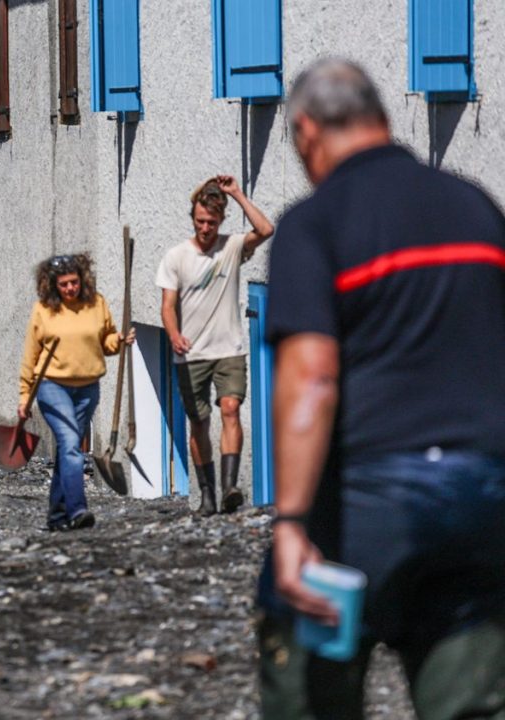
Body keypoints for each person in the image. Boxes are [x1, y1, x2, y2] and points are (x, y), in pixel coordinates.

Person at [259, 59, 505, 718]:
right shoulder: (476, 207)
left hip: (365, 509)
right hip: (482, 501)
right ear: (382, 119)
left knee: (309, 692)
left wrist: (287, 524)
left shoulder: (316, 223)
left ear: (307, 131)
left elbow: (311, 377)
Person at [156, 175, 274, 515]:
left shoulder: (233, 247)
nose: (205, 227)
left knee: (231, 409)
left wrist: (236, 193)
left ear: (220, 221)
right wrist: (174, 334)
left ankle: (229, 488)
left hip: (229, 349)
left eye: (211, 222)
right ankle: (207, 494)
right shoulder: (176, 257)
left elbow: (265, 230)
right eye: (199, 221)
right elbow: (166, 306)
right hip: (191, 354)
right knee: (199, 423)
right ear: (192, 219)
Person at [18, 254, 133, 532]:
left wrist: (118, 341)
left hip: (88, 388)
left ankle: (56, 516)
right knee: (71, 445)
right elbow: (30, 356)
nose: (70, 288)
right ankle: (77, 509)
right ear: (53, 285)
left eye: (74, 282)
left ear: (82, 279)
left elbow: (106, 342)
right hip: (51, 386)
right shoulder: (44, 310)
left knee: (68, 450)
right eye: (64, 284)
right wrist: (24, 396)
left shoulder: (96, 304)